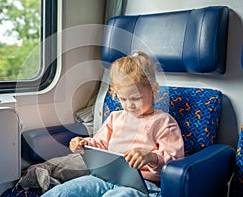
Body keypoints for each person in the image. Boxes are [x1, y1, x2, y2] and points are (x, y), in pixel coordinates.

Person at [41, 51, 184, 197]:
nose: (129, 105)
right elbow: (100, 144)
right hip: (107, 177)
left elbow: (174, 161)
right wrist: (84, 143)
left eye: (136, 98)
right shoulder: (115, 118)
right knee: (62, 192)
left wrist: (151, 157)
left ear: (153, 90)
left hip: (143, 185)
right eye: (123, 99)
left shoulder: (164, 122)